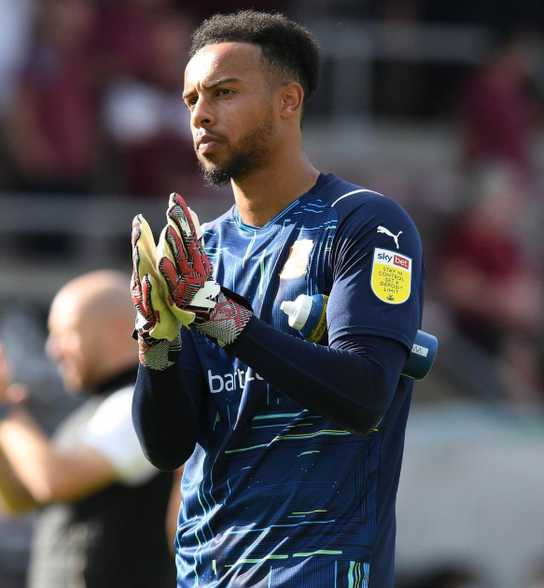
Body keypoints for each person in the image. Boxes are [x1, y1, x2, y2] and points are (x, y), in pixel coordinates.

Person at [129, 11, 424, 585]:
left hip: (319, 568)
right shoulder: (198, 252)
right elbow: (167, 447)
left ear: (289, 100)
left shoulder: (367, 224)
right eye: (191, 99)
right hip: (206, 571)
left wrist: (220, 317)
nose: (200, 113)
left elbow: (366, 393)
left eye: (224, 92)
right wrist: (156, 345)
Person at [0, 270, 177, 587]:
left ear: (115, 329)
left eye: (64, 334)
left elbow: (53, 480)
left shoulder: (141, 405)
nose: (53, 350)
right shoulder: (92, 412)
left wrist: (6, 408)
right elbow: (17, 500)